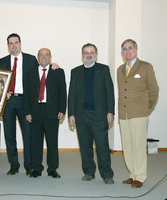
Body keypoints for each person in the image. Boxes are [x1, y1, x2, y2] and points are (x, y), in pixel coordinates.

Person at [68, 43, 115, 184]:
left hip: (99, 115)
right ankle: (89, 172)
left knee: (102, 146)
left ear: (96, 55)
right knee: (85, 145)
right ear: (82, 56)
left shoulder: (104, 69)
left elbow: (109, 92)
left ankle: (107, 174)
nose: (89, 55)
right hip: (81, 115)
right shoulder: (75, 71)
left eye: (92, 52)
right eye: (86, 53)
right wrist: (71, 114)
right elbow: (72, 95)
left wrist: (110, 111)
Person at [117, 39, 159, 188]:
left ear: (136, 49)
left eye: (130, 48)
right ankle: (132, 174)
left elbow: (154, 90)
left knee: (139, 146)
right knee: (127, 146)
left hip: (139, 113)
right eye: (124, 49)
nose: (127, 51)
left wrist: (147, 108)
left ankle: (140, 176)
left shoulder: (145, 67)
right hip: (124, 114)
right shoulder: (120, 69)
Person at [0, 33, 38, 175]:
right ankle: (14, 165)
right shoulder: (2, 61)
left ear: (20, 44)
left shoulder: (31, 59)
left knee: (28, 134)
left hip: (25, 101)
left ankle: (29, 165)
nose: (14, 45)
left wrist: (53, 65)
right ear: (8, 46)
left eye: (16, 42)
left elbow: (40, 74)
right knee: (9, 135)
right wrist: (3, 93)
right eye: (11, 43)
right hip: (8, 102)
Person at [24, 48, 66, 178]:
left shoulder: (58, 72)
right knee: (35, 142)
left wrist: (62, 110)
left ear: (50, 57)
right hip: (35, 112)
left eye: (46, 55)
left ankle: (52, 169)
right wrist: (27, 112)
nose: (44, 57)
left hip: (52, 112)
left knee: (52, 142)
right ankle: (36, 168)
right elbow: (26, 94)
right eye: (41, 55)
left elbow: (63, 92)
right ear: (38, 57)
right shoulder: (30, 72)